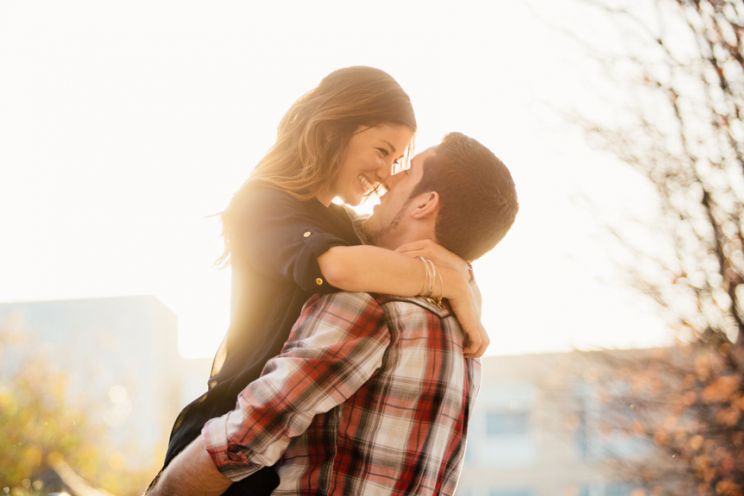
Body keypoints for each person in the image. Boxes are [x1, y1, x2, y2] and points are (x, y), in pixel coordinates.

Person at [156, 68, 488, 494]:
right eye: (383, 150)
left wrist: (463, 279)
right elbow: (337, 268)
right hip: (225, 439)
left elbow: (407, 247)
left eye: (397, 161)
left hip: (277, 446)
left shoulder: (344, 225)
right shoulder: (262, 203)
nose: (387, 173)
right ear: (336, 128)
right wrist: (447, 282)